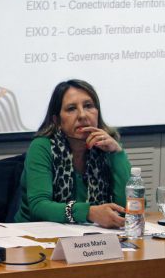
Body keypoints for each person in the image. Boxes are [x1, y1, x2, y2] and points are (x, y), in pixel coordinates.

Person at [15, 79, 131, 227]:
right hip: (36, 233)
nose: (82, 115)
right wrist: (88, 212)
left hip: (91, 235)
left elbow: (130, 207)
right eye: (71, 109)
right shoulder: (42, 147)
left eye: (88, 106)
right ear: (57, 120)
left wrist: (117, 153)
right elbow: (39, 206)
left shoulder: (107, 147)